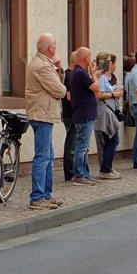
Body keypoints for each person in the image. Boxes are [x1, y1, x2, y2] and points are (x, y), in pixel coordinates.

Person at [25, 33, 67, 210]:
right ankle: (37, 197)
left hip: (44, 114)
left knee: (48, 156)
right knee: (42, 157)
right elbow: (60, 90)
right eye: (55, 45)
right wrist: (59, 76)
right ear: (51, 48)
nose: (56, 48)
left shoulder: (45, 64)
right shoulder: (42, 66)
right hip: (42, 115)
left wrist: (59, 68)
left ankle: (46, 195)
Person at [70, 47, 100, 186]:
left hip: (85, 113)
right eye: (90, 56)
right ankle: (79, 174)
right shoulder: (79, 73)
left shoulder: (80, 72)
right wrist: (93, 74)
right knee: (81, 146)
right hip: (84, 114)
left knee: (84, 146)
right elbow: (96, 87)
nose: (91, 59)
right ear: (85, 58)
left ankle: (85, 173)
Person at [94, 52, 123, 180]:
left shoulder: (103, 77)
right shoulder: (99, 77)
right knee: (111, 140)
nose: (110, 64)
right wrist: (114, 94)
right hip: (103, 112)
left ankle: (108, 167)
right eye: (108, 61)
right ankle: (105, 169)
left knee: (112, 139)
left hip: (108, 111)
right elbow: (99, 95)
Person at [61, 51, 77, 183]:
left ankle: (71, 171)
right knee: (72, 144)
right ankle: (70, 173)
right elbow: (69, 96)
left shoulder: (66, 74)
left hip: (68, 113)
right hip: (72, 113)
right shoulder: (71, 75)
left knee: (72, 143)